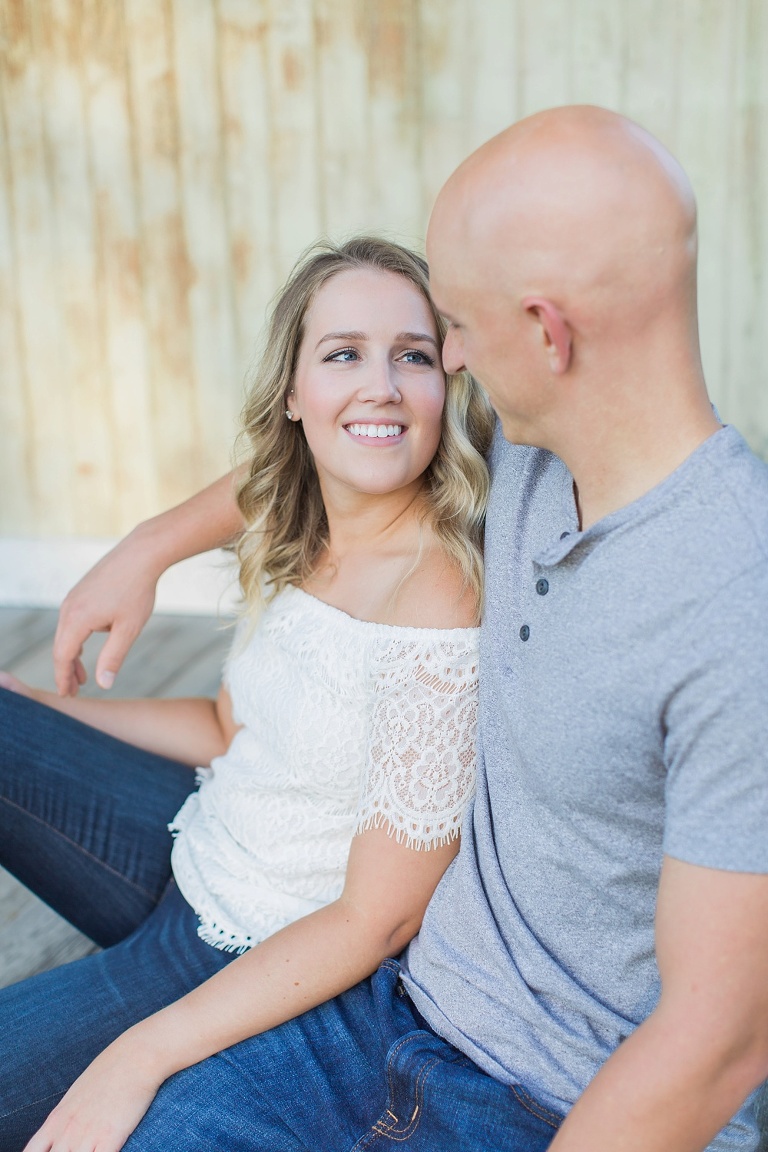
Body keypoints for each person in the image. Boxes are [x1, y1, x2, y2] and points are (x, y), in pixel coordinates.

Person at [39, 106, 768, 1152]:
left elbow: (719, 1043)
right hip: (396, 1011)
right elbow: (333, 438)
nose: (448, 360)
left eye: (452, 329)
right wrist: (149, 545)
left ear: (547, 333)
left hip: (541, 1100)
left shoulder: (735, 600)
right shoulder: (531, 463)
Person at [0, 236, 496, 1152]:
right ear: (294, 394)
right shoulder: (308, 527)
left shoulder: (436, 596)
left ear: (447, 385)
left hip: (248, 955)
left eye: (413, 356)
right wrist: (48, 709)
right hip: (192, 841)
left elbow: (377, 919)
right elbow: (229, 726)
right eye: (343, 354)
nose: (381, 386)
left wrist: (134, 1054)